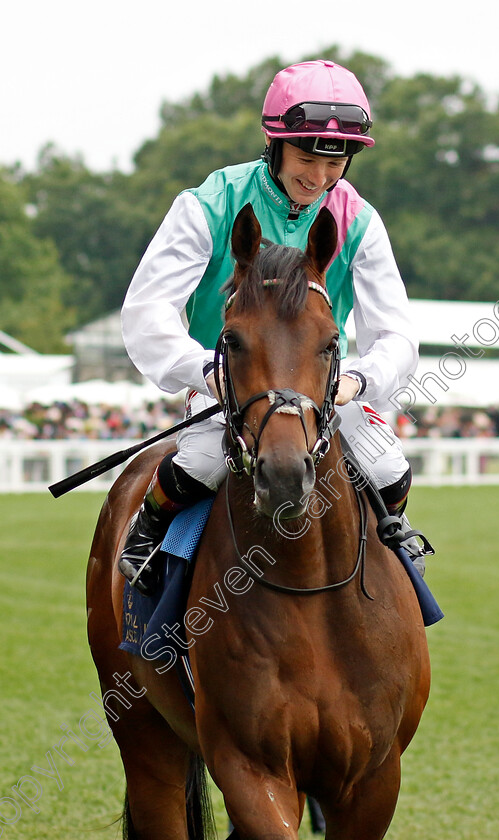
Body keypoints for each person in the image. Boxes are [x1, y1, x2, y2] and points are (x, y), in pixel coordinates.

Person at [119, 59, 426, 596]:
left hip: (321, 386)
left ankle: (395, 556)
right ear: (274, 144)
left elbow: (397, 332)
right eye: (306, 157)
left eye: (336, 164)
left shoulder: (360, 220)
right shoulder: (209, 203)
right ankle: (146, 549)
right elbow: (146, 311)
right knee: (201, 459)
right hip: (232, 380)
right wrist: (205, 371)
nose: (320, 177)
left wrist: (360, 381)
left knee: (388, 466)